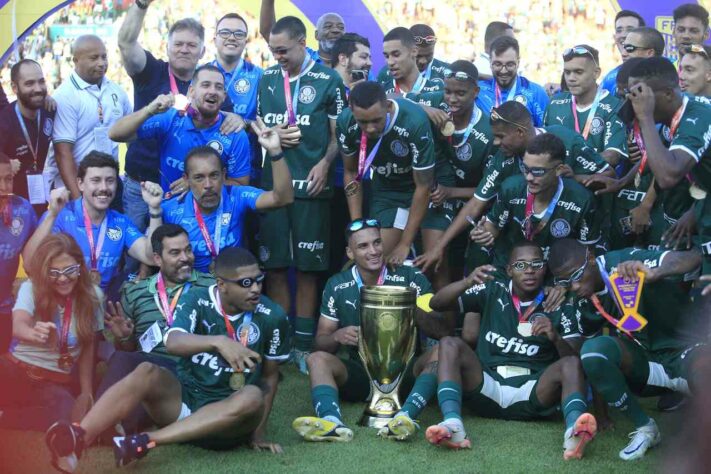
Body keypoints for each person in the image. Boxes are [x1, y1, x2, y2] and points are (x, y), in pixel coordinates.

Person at [45, 247, 290, 472]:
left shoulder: (273, 316)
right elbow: (173, 342)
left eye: (258, 280)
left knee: (252, 395)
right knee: (146, 370)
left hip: (227, 421)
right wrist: (219, 342)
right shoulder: (198, 299)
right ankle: (79, 438)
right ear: (222, 285)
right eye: (246, 283)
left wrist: (258, 434)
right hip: (186, 401)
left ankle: (145, 441)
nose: (256, 289)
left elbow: (269, 376)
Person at [426, 242, 595, 460]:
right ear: (509, 271)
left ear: (545, 268)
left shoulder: (559, 303)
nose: (529, 270)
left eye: (536, 264)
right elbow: (436, 303)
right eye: (521, 265)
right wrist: (467, 281)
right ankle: (453, 425)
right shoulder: (492, 289)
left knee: (570, 364)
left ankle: (573, 432)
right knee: (449, 343)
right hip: (489, 383)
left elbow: (575, 361)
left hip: (532, 389)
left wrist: (555, 337)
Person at [547, 239, 707, 460]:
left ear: (591, 258)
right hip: (646, 364)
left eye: (576, 276)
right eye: (564, 282)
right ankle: (645, 428)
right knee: (592, 351)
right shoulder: (581, 301)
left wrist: (656, 272)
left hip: (687, 349)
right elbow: (591, 362)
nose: (574, 287)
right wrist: (601, 416)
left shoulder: (623, 263)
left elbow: (693, 258)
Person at [292, 219, 443, 442]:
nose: (373, 251)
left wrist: (410, 307)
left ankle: (406, 416)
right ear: (350, 253)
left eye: (377, 243)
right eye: (363, 246)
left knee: (443, 350)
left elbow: (439, 329)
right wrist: (337, 335)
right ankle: (331, 422)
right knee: (316, 359)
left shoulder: (410, 277)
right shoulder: (337, 285)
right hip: (361, 374)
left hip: (407, 372)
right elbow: (321, 341)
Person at [416, 102, 611, 274]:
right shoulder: (504, 157)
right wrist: (439, 246)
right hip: (521, 241)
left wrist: (575, 178)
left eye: (500, 136)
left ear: (520, 132)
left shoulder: (565, 140)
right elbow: (476, 203)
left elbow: (609, 176)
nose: (496, 143)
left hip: (568, 236)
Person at [258, 16, 346, 372]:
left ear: (302, 42)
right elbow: (259, 124)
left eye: (283, 50)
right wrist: (272, 130)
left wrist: (326, 163)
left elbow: (340, 134)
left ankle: (306, 347)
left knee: (308, 270)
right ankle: (282, 342)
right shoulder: (266, 79)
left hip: (312, 189)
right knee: (276, 267)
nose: (277, 56)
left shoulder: (329, 80)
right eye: (273, 50)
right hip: (276, 189)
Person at [118, 3, 242, 239]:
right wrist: (140, 6)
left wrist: (238, 119)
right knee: (135, 258)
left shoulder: (209, 87)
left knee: (181, 256)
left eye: (191, 45)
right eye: (178, 44)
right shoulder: (151, 70)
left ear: (203, 51)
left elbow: (225, 129)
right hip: (140, 186)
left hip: (184, 190)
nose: (184, 49)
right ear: (167, 47)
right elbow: (125, 43)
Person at [96, 223, 215, 436]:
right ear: (158, 259)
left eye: (188, 250)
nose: (185, 257)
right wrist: (124, 337)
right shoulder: (136, 293)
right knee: (122, 359)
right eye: (175, 253)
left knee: (139, 398)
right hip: (151, 370)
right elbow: (130, 349)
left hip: (192, 371)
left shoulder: (211, 288)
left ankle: (105, 426)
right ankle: (107, 426)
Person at [0, 233, 103, 433]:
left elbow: (89, 347)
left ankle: (5, 415)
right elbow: (18, 324)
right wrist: (32, 333)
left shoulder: (94, 297)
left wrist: (86, 392)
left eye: (69, 270)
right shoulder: (32, 287)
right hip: (16, 369)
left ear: (80, 268)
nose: (63, 278)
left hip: (53, 382)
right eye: (54, 272)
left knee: (65, 413)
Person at [162, 119, 294, 273]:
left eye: (214, 175)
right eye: (199, 178)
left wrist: (275, 151)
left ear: (224, 175)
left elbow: (283, 198)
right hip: (191, 290)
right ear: (186, 179)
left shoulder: (236, 195)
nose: (208, 185)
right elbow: (152, 256)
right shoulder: (170, 208)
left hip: (232, 285)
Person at [22, 152, 163, 293]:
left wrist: (154, 209)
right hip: (64, 303)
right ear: (80, 184)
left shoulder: (120, 222)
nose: (104, 188)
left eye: (110, 180)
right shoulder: (60, 216)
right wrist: (52, 215)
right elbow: (29, 264)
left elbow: (150, 257)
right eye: (96, 180)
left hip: (102, 305)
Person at [409, 60, 495, 280]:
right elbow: (390, 101)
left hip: (470, 203)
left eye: (460, 93)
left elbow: (489, 190)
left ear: (475, 92)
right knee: (435, 264)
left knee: (451, 267)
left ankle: (449, 311)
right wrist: (424, 108)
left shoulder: (488, 133)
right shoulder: (437, 101)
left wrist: (451, 192)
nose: (452, 99)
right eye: (448, 91)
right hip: (437, 195)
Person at [625, 57, 711, 278]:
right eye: (633, 94)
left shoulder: (699, 116)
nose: (636, 102)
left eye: (642, 95)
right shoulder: (674, 117)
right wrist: (622, 180)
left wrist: (645, 118)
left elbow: (668, 176)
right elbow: (656, 158)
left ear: (668, 94)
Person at [108, 65, 251, 194]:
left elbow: (240, 184)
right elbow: (115, 134)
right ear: (191, 91)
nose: (213, 91)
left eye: (219, 87)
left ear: (224, 96)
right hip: (169, 215)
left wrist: (196, 183)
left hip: (214, 218)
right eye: (206, 85)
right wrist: (148, 110)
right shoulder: (170, 118)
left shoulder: (234, 132)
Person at [337, 81, 434, 267]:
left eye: (376, 120)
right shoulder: (346, 122)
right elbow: (351, 172)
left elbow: (424, 186)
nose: (370, 128)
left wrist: (405, 243)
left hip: (423, 188)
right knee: (370, 261)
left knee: (430, 264)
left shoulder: (414, 121)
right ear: (351, 110)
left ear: (388, 106)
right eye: (363, 122)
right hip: (387, 191)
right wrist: (358, 228)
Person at [471, 133, 599, 268]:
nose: (529, 177)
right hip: (511, 268)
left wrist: (562, 281)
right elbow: (493, 226)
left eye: (538, 171)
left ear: (558, 170)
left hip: (555, 272)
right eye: (525, 169)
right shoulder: (511, 189)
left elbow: (587, 252)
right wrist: (483, 234)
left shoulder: (582, 200)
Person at [49, 35, 132, 198]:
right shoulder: (64, 96)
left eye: (104, 56)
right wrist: (78, 201)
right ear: (76, 60)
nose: (101, 63)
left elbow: (132, 136)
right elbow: (63, 154)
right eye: (94, 58)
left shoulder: (116, 91)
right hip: (79, 188)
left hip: (110, 186)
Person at [545, 45, 627, 166]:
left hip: (596, 181)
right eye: (567, 72)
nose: (571, 78)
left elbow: (612, 156)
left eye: (578, 72)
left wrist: (574, 171)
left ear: (596, 73)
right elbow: (543, 148)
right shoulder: (554, 103)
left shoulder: (615, 107)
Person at [0, 59, 54, 214]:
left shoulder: (50, 110)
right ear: (14, 88)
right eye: (29, 83)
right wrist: (6, 165)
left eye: (41, 81)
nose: (38, 88)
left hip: (42, 201)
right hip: (12, 209)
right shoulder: (4, 122)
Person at [0, 153, 37, 352]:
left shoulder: (22, 210)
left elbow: (33, 264)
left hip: (5, 307)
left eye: (8, 179)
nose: (4, 188)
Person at [476, 36, 548, 127]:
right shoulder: (479, 91)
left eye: (510, 64)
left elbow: (546, 133)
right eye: (498, 64)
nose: (503, 71)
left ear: (518, 62)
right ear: (490, 62)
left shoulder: (536, 93)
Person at [260, 0, 345, 65]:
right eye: (328, 26)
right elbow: (269, 32)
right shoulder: (304, 57)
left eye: (341, 27)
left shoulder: (352, 62)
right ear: (316, 35)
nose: (335, 30)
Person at [378, 27, 444, 96]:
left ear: (414, 52)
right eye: (386, 56)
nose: (390, 62)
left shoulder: (439, 88)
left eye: (396, 55)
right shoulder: (381, 91)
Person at [601, 10, 646, 94]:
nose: (623, 35)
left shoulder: (665, 69)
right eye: (619, 30)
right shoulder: (609, 80)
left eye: (630, 29)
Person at [672, 3, 710, 68]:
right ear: (673, 32)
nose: (686, 36)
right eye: (681, 30)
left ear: (705, 35)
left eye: (693, 31)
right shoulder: (667, 69)